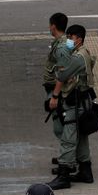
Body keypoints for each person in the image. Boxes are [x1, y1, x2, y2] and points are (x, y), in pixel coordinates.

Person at [48, 24, 97, 189]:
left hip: (76, 104)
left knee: (68, 139)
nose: (68, 40)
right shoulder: (83, 53)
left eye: (71, 38)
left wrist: (55, 96)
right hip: (83, 101)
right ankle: (85, 170)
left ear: (79, 39)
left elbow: (62, 74)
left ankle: (64, 175)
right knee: (81, 136)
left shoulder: (77, 57)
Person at [43, 13, 70, 167]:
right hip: (56, 90)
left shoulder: (61, 47)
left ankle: (67, 159)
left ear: (53, 26)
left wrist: (55, 96)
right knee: (61, 126)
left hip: (58, 91)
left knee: (60, 128)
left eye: (49, 25)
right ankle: (65, 156)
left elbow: (63, 73)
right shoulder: (64, 43)